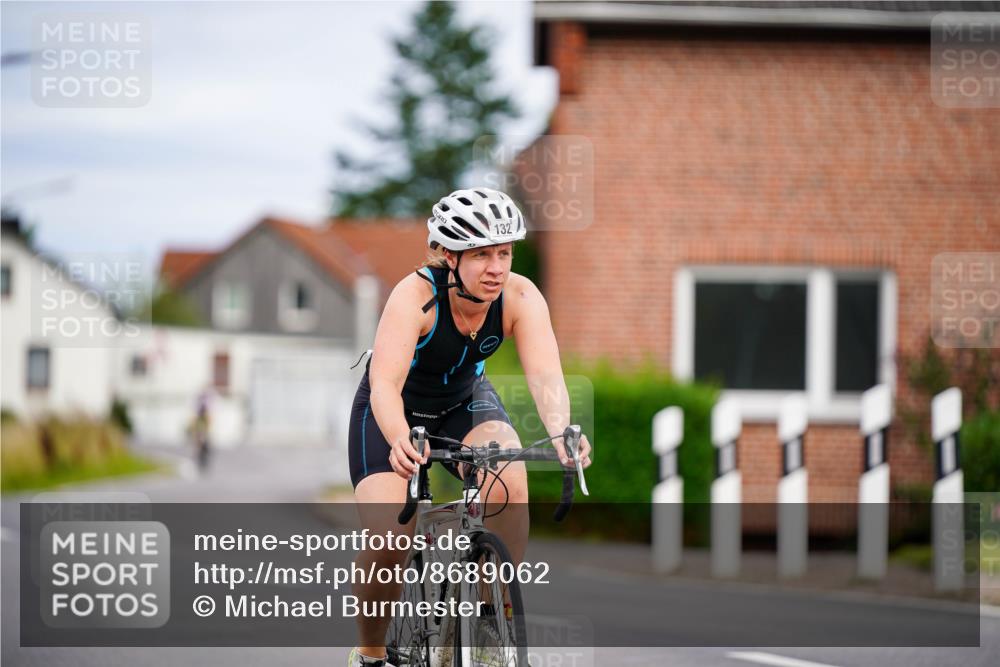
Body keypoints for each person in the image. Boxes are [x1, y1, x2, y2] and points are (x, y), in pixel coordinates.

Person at [347, 187, 592, 667]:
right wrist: (399, 438)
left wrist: (564, 431)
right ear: (449, 256)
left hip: (464, 402)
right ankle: (371, 653)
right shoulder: (414, 297)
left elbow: (546, 377)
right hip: (392, 410)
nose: (496, 267)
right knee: (391, 536)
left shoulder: (520, 296)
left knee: (510, 480)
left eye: (504, 253)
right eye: (481, 254)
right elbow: (385, 386)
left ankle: (486, 619)